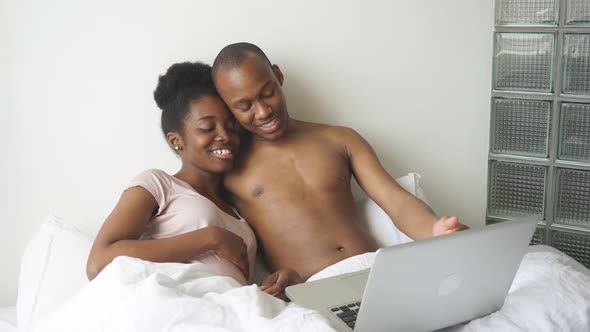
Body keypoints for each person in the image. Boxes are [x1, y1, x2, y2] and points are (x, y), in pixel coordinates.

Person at [211, 42, 467, 297]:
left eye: (268, 93)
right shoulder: (228, 168)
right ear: (227, 106)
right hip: (311, 290)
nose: (263, 111)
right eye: (244, 106)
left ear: (278, 76)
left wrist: (434, 229)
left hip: (376, 273)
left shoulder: (340, 139)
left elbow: (395, 201)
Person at [86, 61, 299, 292]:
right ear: (176, 140)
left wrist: (279, 284)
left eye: (230, 126)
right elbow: (98, 263)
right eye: (208, 128)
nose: (224, 136)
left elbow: (230, 285)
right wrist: (210, 238)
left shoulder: (238, 212)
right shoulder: (158, 184)